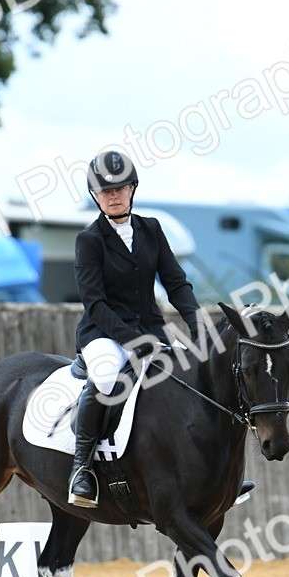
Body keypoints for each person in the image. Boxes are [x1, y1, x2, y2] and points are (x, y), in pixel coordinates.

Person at [68, 149, 202, 507]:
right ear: (96, 196)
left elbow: (176, 282)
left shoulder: (151, 229)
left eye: (120, 189)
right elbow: (94, 303)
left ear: (132, 189)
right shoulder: (89, 241)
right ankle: (81, 468)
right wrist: (132, 340)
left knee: (193, 373)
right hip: (104, 333)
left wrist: (197, 323)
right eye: (105, 191)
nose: (113, 196)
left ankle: (210, 472)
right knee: (109, 376)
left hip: (151, 328)